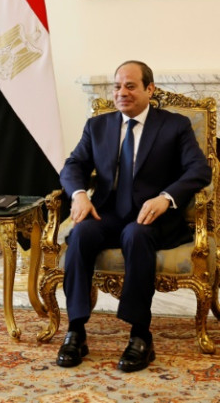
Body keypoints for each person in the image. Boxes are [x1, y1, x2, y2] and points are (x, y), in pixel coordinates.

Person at [57, 60, 211, 372]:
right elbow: (73, 165)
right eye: (117, 86)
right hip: (108, 212)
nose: (122, 92)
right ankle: (76, 330)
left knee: (135, 235)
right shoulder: (97, 126)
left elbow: (200, 169)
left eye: (130, 86)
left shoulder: (174, 125)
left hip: (152, 218)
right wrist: (80, 194)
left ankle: (140, 335)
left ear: (149, 89)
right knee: (81, 234)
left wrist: (166, 198)